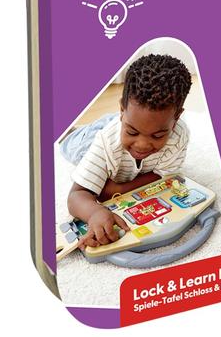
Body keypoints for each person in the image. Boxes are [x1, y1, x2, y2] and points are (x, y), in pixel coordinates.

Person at [65, 54, 191, 248]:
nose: (142, 145)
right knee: (71, 144)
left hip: (123, 123)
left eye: (157, 135)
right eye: (132, 132)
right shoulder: (105, 142)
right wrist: (95, 212)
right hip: (88, 141)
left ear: (176, 118)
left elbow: (165, 178)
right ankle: (72, 129)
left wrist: (117, 190)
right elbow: (76, 196)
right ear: (122, 109)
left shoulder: (179, 136)